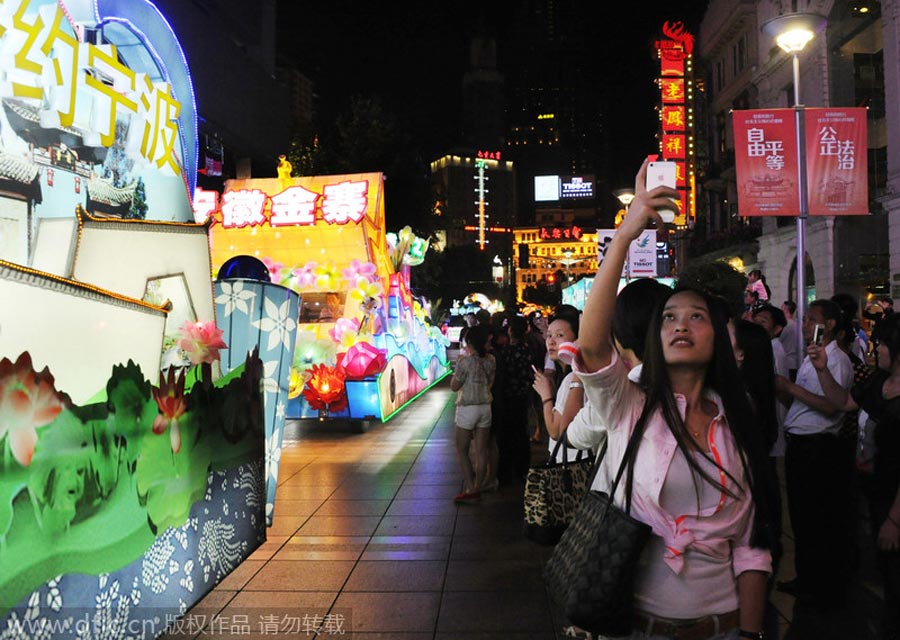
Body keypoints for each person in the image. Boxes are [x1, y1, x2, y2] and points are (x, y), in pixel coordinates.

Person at [570, 159, 775, 639]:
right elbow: (593, 347)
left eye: (696, 317)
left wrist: (749, 632)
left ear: (719, 339)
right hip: (638, 627)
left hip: (724, 626)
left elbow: (750, 547)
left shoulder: (736, 422)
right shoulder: (629, 407)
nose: (681, 324)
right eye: (669, 317)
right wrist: (625, 234)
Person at [808, 311, 900, 639]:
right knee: (885, 572)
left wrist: (894, 519)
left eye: (882, 343)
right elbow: (842, 401)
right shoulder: (879, 382)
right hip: (872, 489)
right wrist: (821, 370)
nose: (877, 349)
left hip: (894, 499)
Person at [775, 298, 855, 607]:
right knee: (802, 518)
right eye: (805, 319)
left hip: (818, 448)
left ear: (830, 324)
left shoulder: (837, 360)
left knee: (816, 518)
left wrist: (791, 388)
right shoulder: (813, 356)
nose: (805, 325)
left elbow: (832, 405)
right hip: (801, 445)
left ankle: (821, 585)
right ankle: (807, 578)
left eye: (811, 319)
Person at [449, 323, 495, 502]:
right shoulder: (491, 360)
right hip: (485, 407)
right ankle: (478, 487)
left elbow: (454, 386)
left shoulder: (464, 362)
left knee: (462, 450)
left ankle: (470, 488)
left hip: (467, 408)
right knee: (482, 451)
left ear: (469, 342)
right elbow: (491, 382)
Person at [532, 313, 584, 463]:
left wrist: (546, 395)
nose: (551, 341)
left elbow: (555, 431)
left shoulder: (572, 379)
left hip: (572, 460)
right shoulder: (570, 375)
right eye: (549, 335)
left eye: (559, 335)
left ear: (577, 340)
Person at [496, 314, 534, 485]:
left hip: (506, 398)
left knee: (506, 434)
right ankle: (522, 469)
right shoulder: (528, 351)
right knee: (521, 432)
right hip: (523, 396)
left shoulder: (505, 352)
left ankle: (505, 472)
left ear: (510, 331)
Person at [751, 304, 790, 456]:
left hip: (772, 422)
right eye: (755, 321)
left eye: (763, 322)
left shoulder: (774, 350)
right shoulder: (764, 348)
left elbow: (777, 387)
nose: (756, 326)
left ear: (777, 329)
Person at [779, 300, 800, 381]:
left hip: (787, 362)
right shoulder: (797, 324)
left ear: (785, 309)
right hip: (796, 361)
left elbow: (778, 340)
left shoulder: (785, 325)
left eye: (781, 308)